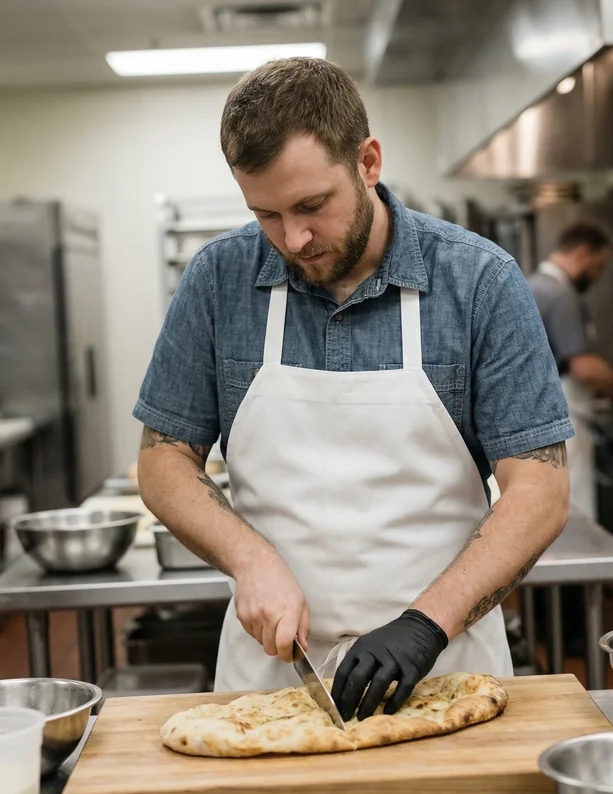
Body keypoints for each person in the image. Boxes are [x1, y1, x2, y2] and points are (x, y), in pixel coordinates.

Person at [133, 57, 571, 722]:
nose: (294, 238)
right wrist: (247, 558)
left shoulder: (479, 282)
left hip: (444, 673)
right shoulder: (219, 282)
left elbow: (540, 488)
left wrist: (426, 624)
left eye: (312, 206)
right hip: (272, 679)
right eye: (267, 215)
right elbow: (163, 460)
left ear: (368, 161)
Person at [528, 224, 613, 520]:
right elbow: (584, 367)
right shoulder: (561, 295)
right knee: (572, 511)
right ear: (581, 254)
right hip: (563, 421)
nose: (597, 276)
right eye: (597, 266)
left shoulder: (531, 284)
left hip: (535, 420)